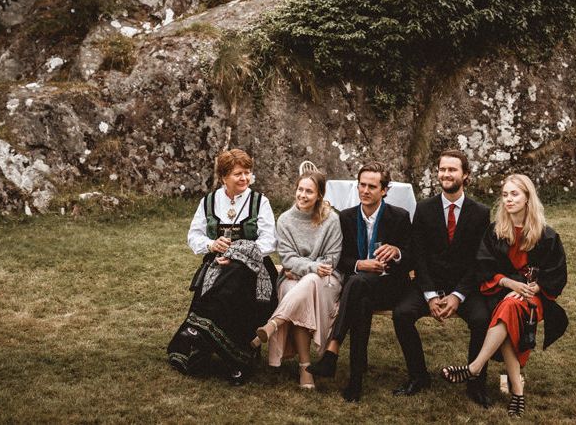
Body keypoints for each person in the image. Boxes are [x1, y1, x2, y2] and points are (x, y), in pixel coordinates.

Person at [442, 173, 568, 417]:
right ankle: (517, 393)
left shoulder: (546, 235)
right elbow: (483, 267)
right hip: (501, 291)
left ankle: (475, 367)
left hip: (533, 298)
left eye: (515, 194)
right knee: (508, 309)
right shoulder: (496, 231)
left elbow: (557, 273)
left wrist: (536, 288)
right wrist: (511, 284)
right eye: (505, 195)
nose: (508, 200)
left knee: (510, 308)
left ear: (527, 198)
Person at [167, 148, 278, 385]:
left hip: (255, 268)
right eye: (238, 174)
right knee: (225, 276)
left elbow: (269, 241)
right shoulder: (208, 202)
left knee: (235, 274)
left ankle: (200, 328)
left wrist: (237, 253)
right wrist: (212, 244)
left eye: (248, 173)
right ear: (223, 177)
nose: (244, 178)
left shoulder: (260, 202)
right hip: (217, 263)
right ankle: (232, 357)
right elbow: (194, 237)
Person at [392, 149, 492, 407]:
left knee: (482, 319)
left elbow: (479, 260)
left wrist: (458, 296)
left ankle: (475, 383)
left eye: (452, 169)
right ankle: (418, 376)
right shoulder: (424, 209)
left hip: (465, 287)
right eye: (442, 169)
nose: (446, 174)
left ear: (465, 175)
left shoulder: (480, 212)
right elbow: (418, 255)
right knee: (402, 314)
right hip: (429, 283)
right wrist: (430, 295)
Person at [307, 161, 412, 402]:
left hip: (390, 285)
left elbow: (412, 258)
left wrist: (396, 252)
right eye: (361, 185)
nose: (365, 191)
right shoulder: (346, 217)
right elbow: (339, 258)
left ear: (384, 190)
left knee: (355, 286)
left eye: (372, 187)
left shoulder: (399, 217)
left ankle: (332, 352)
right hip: (359, 287)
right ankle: (355, 382)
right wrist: (358, 265)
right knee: (359, 297)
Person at [253, 172, 343, 389]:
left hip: (327, 281)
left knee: (310, 280)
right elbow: (286, 257)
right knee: (295, 287)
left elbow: (331, 259)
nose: (302, 195)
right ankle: (305, 366)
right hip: (295, 278)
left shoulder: (331, 219)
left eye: (309, 191)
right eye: (300, 189)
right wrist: (309, 267)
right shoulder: (284, 220)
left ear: (319, 195)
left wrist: (303, 268)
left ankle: (275, 322)